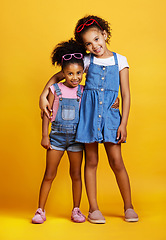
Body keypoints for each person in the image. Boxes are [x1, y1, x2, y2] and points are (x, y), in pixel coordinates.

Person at [39, 15, 138, 223]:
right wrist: (42, 95)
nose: (94, 46)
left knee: (117, 161)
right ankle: (93, 209)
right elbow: (60, 76)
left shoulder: (121, 61)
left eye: (96, 39)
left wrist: (123, 123)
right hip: (88, 117)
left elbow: (126, 94)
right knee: (91, 162)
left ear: (104, 34)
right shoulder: (85, 60)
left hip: (111, 118)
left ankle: (128, 206)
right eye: (88, 43)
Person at [32, 39, 86, 224]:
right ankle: (40, 210)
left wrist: (115, 102)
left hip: (77, 140)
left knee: (76, 174)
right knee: (49, 174)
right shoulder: (54, 89)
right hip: (56, 138)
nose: (75, 77)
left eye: (78, 73)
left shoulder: (83, 91)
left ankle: (76, 210)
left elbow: (95, 105)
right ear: (62, 73)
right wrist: (45, 135)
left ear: (83, 72)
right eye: (70, 73)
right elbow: (47, 113)